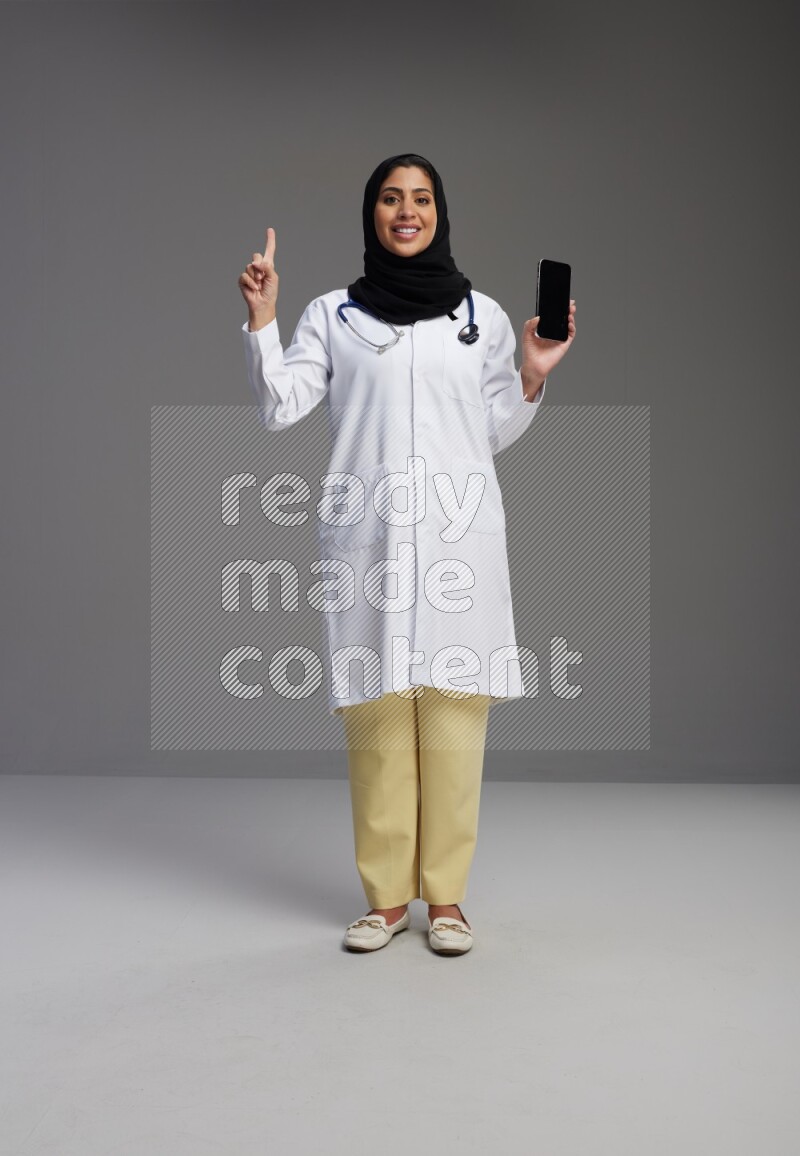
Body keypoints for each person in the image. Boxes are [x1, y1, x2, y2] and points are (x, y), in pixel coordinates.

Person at [238, 153, 576, 955]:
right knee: (380, 716)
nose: (406, 211)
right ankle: (386, 901)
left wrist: (531, 375)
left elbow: (491, 433)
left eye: (420, 198)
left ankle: (448, 902)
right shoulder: (334, 316)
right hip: (370, 539)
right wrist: (263, 319)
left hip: (460, 537)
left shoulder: (482, 317)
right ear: (372, 214)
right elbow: (281, 407)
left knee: (456, 719)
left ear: (439, 212)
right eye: (391, 198)